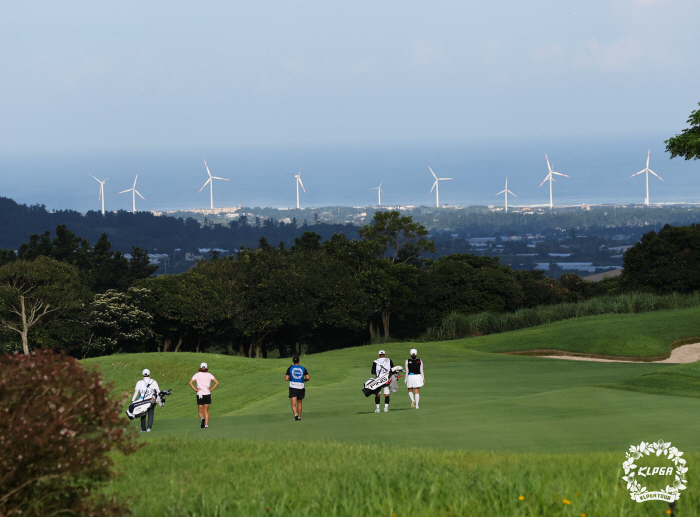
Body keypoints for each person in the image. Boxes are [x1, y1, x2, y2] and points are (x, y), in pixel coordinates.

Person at [189, 362, 219, 428]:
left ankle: (202, 419)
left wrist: (196, 390)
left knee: (200, 411)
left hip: (200, 394)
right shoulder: (209, 375)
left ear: (200, 367)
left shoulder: (197, 375)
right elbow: (217, 383)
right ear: (206, 368)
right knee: (206, 410)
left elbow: (190, 383)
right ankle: (206, 425)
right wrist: (210, 389)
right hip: (207, 394)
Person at [132, 368, 160, 432]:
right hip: (151, 400)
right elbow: (158, 391)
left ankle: (143, 428)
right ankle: (149, 428)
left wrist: (133, 401)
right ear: (149, 374)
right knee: (151, 413)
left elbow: (136, 392)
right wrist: (158, 399)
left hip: (142, 400)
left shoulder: (139, 382)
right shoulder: (153, 381)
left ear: (142, 374)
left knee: (142, 414)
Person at [285, 356, 309, 421]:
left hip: (293, 387)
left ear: (293, 361)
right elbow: (308, 377)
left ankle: (295, 414)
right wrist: (305, 380)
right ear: (299, 361)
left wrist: (291, 378)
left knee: (293, 403)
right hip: (300, 387)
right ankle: (299, 417)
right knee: (299, 402)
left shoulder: (290, 368)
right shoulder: (303, 368)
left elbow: (286, 378)